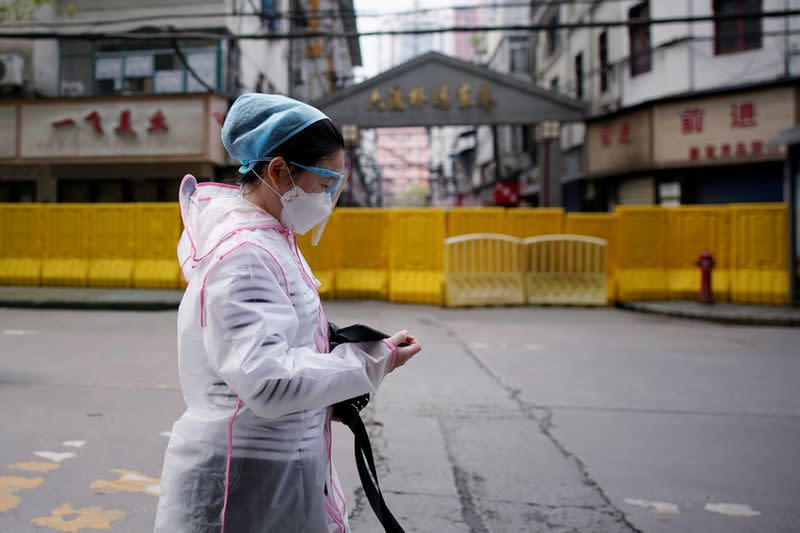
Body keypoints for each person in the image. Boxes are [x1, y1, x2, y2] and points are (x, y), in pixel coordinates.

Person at [154, 93, 422, 533]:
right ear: (278, 171)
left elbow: (281, 350)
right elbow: (268, 382)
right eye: (323, 182)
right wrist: (374, 360)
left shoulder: (272, 239)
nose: (326, 198)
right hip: (243, 482)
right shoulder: (245, 253)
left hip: (272, 471)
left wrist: (328, 389)